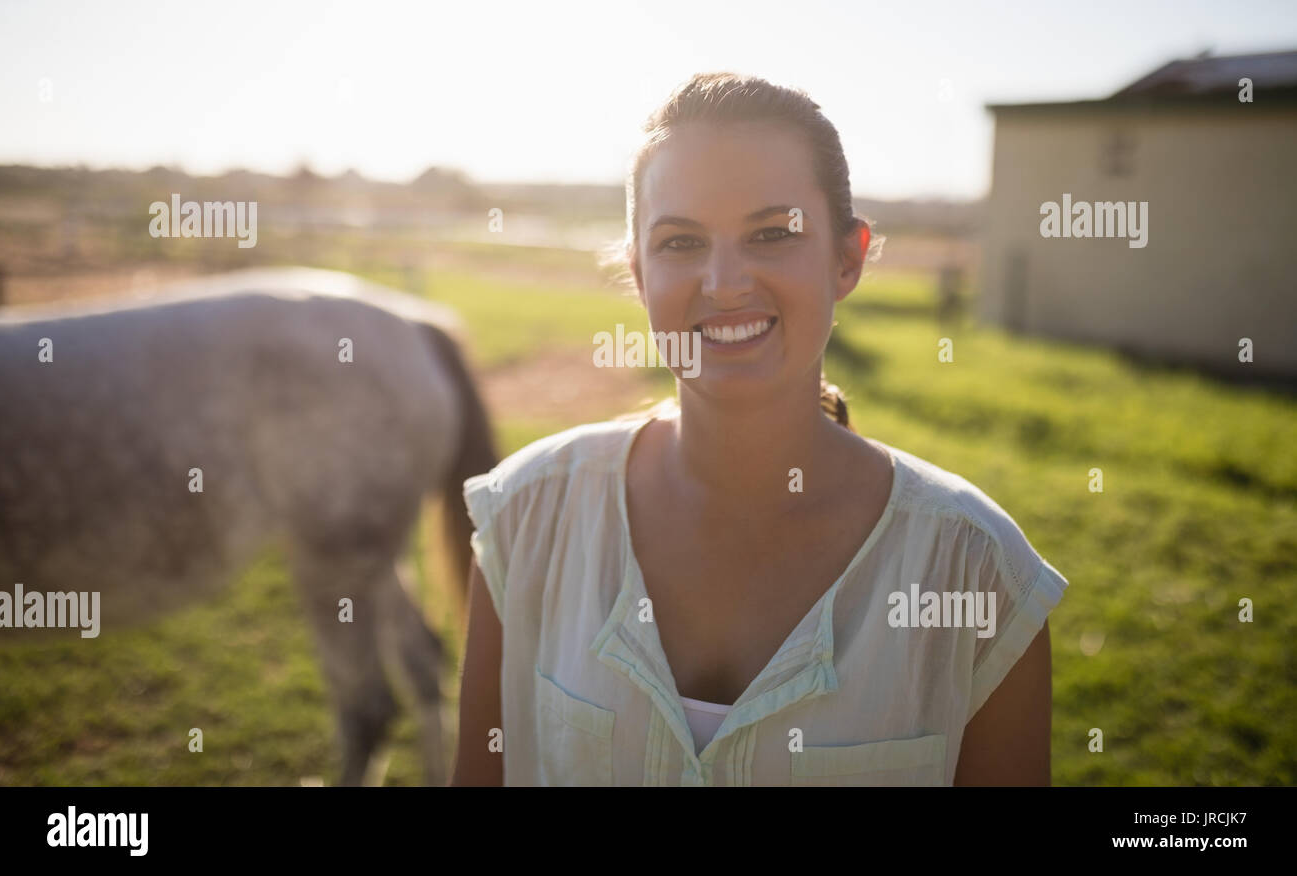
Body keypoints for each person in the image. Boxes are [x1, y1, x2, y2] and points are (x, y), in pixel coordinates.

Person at [451, 72, 1068, 786]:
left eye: (773, 233)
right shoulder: (527, 517)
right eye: (681, 243)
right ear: (638, 273)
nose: (725, 282)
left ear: (848, 258)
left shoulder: (980, 572)